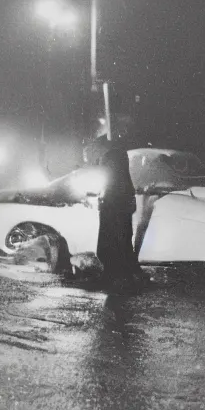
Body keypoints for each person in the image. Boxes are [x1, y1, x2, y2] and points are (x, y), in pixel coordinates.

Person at [82, 112, 143, 286]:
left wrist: (99, 195)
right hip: (121, 199)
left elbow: (107, 177)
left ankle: (115, 274)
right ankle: (125, 273)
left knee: (112, 238)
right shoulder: (117, 149)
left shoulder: (109, 151)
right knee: (122, 237)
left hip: (114, 200)